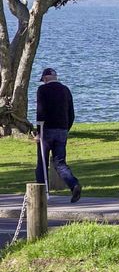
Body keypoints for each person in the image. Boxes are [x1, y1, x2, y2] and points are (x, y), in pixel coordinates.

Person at [35, 67, 82, 203]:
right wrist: (66, 129)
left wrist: (39, 131)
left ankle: (41, 194)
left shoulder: (42, 90)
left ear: (45, 79)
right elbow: (71, 113)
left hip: (46, 130)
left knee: (42, 164)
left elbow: (40, 111)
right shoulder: (65, 90)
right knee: (60, 163)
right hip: (62, 130)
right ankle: (73, 184)